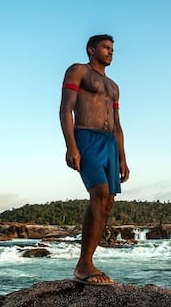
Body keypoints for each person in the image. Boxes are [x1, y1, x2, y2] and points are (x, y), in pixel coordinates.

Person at [59, 34, 130, 285]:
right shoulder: (78, 71)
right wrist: (72, 146)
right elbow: (66, 109)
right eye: (105, 48)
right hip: (86, 136)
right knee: (98, 192)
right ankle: (84, 265)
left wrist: (123, 158)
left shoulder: (114, 86)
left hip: (109, 142)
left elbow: (118, 125)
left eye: (112, 48)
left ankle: (88, 262)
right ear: (91, 49)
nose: (110, 52)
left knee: (108, 201)